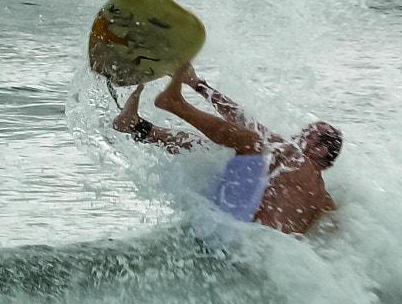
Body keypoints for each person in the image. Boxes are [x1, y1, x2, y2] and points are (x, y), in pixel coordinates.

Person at [112, 65, 341, 234]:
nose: (299, 133)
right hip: (255, 251)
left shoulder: (297, 160)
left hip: (237, 236)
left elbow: (245, 122)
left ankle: (174, 104)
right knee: (209, 150)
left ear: (320, 150)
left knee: (250, 142)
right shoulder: (324, 201)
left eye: (308, 132)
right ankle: (137, 126)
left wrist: (198, 84)